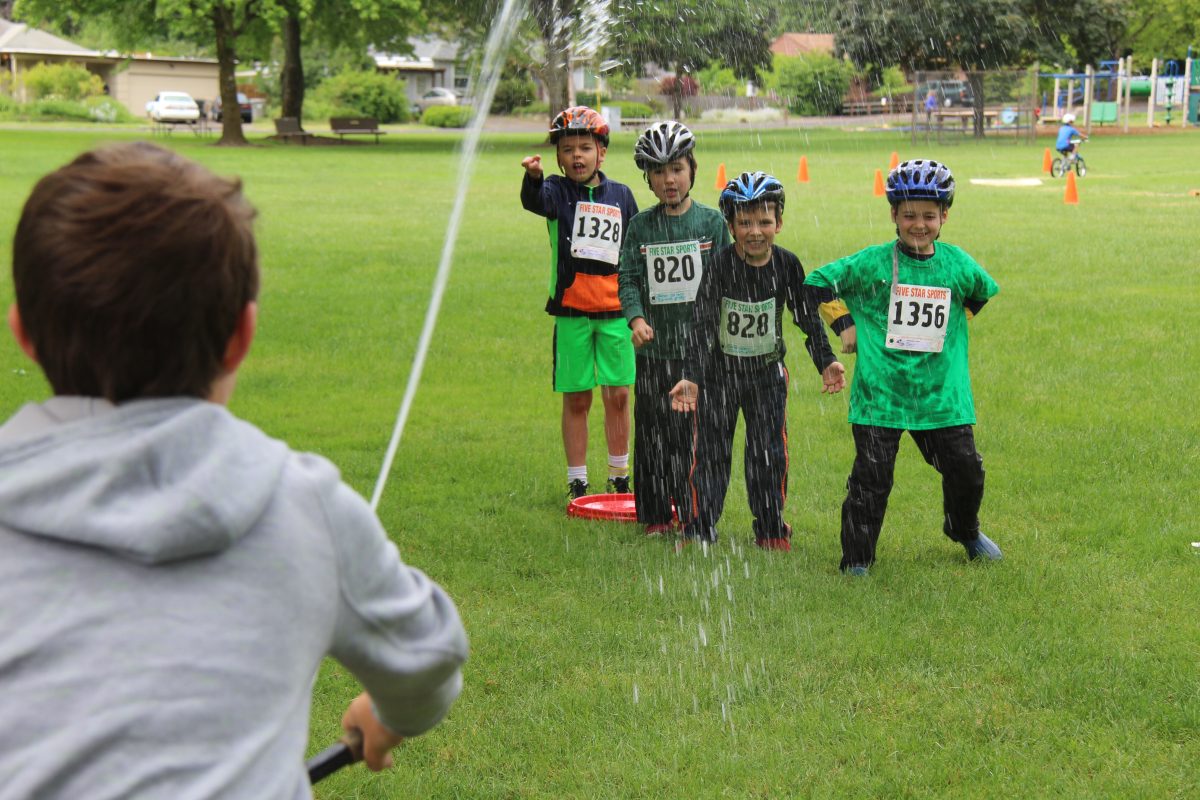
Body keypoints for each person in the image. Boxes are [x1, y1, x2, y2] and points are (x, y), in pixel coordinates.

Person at [0, 142, 469, 798]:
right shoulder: (304, 505)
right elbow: (430, 661)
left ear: (23, 333)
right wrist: (392, 711)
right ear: (241, 336)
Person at [804, 159, 1002, 576]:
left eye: (929, 216)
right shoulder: (873, 263)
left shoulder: (955, 263)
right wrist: (845, 323)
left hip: (941, 397)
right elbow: (816, 283)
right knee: (870, 482)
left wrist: (956, 323)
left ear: (944, 215)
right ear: (893, 214)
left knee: (966, 470)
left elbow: (983, 290)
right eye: (909, 215)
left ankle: (964, 530)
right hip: (881, 395)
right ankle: (857, 559)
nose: (918, 224)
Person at [669, 172, 846, 551]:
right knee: (711, 454)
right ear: (730, 225)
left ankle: (770, 528)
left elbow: (806, 317)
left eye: (764, 221)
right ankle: (699, 526)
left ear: (778, 223)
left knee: (768, 454)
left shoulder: (787, 265)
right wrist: (692, 377)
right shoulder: (718, 266)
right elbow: (701, 323)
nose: (755, 231)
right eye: (745, 222)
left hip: (767, 376)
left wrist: (826, 360)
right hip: (719, 377)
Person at [617, 121, 730, 536]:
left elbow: (725, 281)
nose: (669, 179)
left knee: (693, 438)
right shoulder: (641, 227)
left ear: (692, 170)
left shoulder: (712, 222)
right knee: (652, 438)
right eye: (659, 171)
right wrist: (637, 318)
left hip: (698, 355)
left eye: (677, 169)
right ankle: (655, 516)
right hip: (653, 353)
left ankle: (692, 511)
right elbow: (627, 277)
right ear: (647, 176)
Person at [521, 106, 639, 499]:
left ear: (601, 152)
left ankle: (620, 474)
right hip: (572, 312)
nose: (576, 156)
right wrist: (533, 178)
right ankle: (577, 479)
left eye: (585, 148)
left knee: (619, 394)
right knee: (577, 397)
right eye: (568, 149)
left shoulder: (622, 195)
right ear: (558, 156)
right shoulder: (555, 191)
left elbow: (635, 250)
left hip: (616, 313)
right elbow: (535, 201)